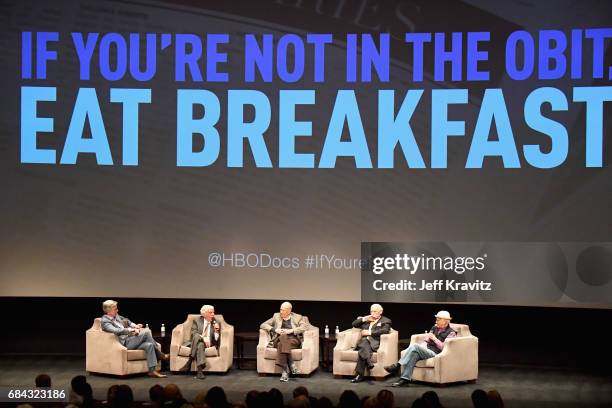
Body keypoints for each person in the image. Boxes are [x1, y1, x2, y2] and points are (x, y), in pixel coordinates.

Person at [385, 310, 456, 387]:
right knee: (414, 353)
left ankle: (397, 366)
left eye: (438, 319)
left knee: (415, 346)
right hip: (428, 350)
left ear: (445, 321)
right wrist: (426, 340)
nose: (436, 321)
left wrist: (435, 339)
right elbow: (427, 341)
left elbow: (444, 348)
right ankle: (405, 379)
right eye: (436, 319)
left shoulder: (451, 333)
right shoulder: (434, 328)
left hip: (437, 353)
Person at [100, 299, 168, 378]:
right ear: (109, 311)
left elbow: (127, 320)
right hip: (124, 344)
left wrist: (135, 326)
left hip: (130, 340)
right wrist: (131, 330)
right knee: (146, 332)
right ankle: (160, 355)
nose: (117, 310)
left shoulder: (116, 316)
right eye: (115, 309)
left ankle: (152, 371)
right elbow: (116, 330)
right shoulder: (105, 321)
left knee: (149, 345)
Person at [260, 301, 309, 382]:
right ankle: (292, 365)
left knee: (281, 345)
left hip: (293, 340)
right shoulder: (276, 316)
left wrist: (291, 331)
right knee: (283, 336)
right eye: (280, 310)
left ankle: (285, 371)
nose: (281, 312)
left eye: (283, 310)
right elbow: (263, 325)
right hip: (278, 338)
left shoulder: (298, 317)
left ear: (289, 310)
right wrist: (275, 330)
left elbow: (305, 327)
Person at [349, 303, 392, 383]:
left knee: (363, 345)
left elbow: (385, 330)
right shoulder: (367, 319)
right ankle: (368, 361)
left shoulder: (386, 320)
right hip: (364, 343)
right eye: (371, 311)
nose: (373, 313)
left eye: (375, 311)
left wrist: (369, 332)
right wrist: (364, 319)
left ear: (380, 312)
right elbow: (354, 324)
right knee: (364, 342)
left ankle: (359, 375)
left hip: (374, 343)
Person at [179, 304, 222, 379]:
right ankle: (199, 372)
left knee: (198, 341)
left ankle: (189, 361)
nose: (213, 314)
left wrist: (216, 331)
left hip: (210, 344)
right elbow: (193, 334)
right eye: (210, 312)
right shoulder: (197, 320)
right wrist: (204, 339)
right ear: (204, 314)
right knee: (199, 343)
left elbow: (216, 340)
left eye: (213, 312)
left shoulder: (216, 321)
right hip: (198, 341)